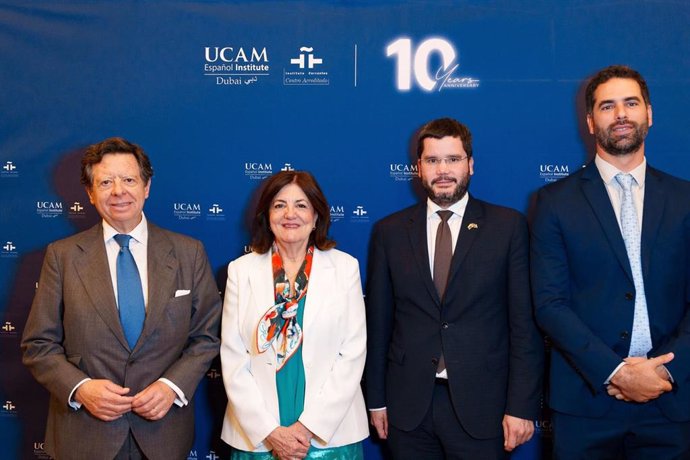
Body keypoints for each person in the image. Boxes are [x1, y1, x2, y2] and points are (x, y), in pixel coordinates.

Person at [21, 137, 222, 459]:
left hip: (163, 435)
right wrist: (80, 388)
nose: (118, 191)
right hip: (84, 435)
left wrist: (171, 387)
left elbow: (206, 337)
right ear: (90, 193)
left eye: (129, 180)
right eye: (105, 182)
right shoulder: (62, 256)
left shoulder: (188, 252)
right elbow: (38, 345)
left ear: (146, 187)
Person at [531, 65, 690, 458]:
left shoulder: (685, 199)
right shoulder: (553, 203)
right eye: (607, 106)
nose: (620, 114)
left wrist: (665, 371)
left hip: (670, 401)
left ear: (649, 114)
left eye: (630, 103)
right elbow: (550, 304)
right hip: (586, 405)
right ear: (590, 121)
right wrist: (616, 372)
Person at [365, 117, 544, 459]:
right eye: (432, 160)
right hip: (408, 408)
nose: (443, 170)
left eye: (453, 159)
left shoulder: (508, 228)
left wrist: (521, 405)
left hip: (483, 406)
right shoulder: (389, 232)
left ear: (470, 165)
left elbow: (524, 326)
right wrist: (376, 399)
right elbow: (379, 325)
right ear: (418, 168)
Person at [220, 170, 368, 459]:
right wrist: (270, 432)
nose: (290, 214)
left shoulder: (345, 268)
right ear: (267, 215)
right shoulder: (240, 270)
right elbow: (233, 356)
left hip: (330, 435)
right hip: (258, 436)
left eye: (301, 205)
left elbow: (352, 354)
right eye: (279, 205)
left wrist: (308, 428)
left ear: (316, 217)